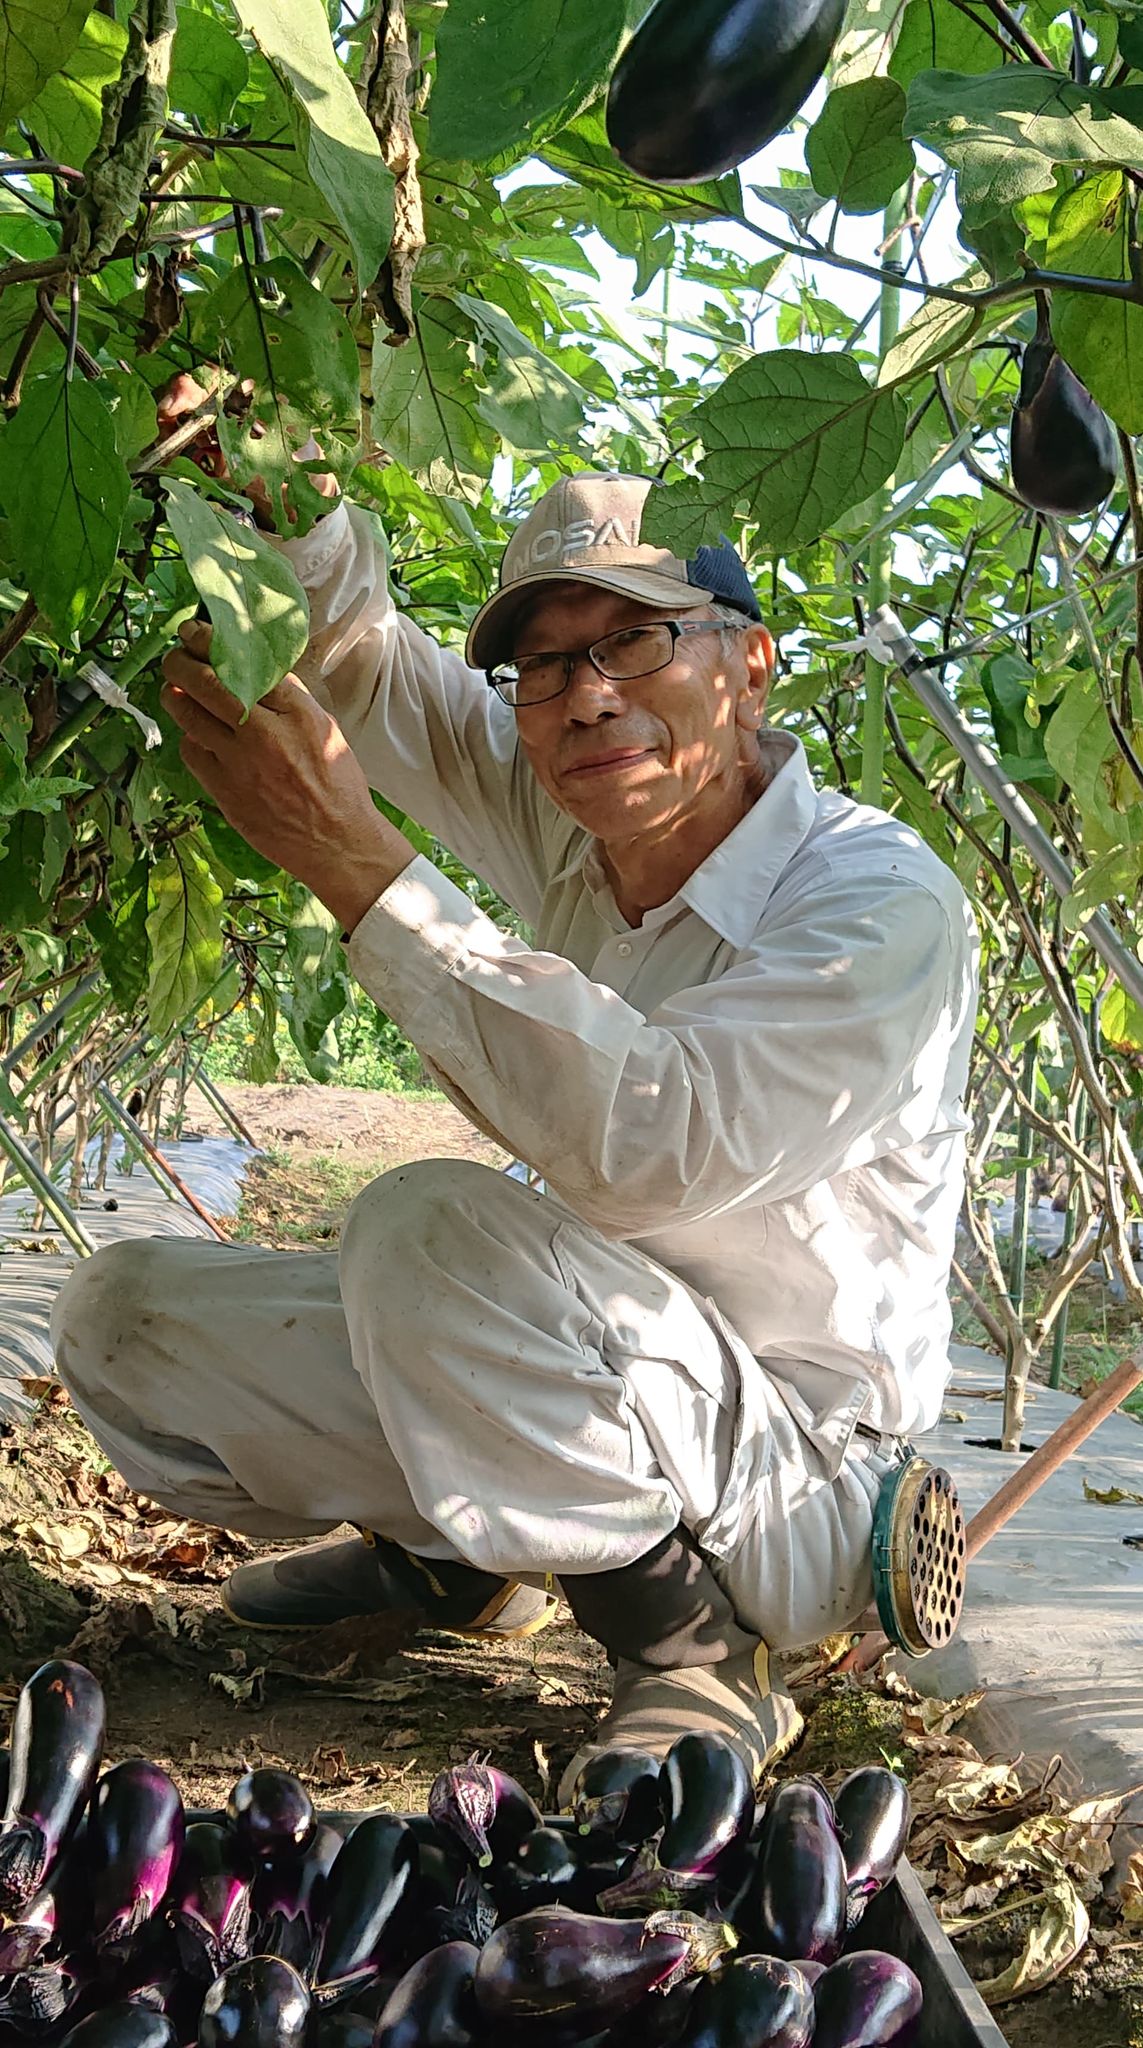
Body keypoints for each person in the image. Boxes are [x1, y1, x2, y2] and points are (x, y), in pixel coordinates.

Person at [51, 421, 979, 1799]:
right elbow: (368, 662)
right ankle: (464, 1560)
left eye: (638, 641)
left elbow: (649, 1146)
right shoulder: (582, 819)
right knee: (119, 1320)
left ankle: (693, 1652)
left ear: (750, 659)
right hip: (578, 1366)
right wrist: (294, 508)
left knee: (430, 1228)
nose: (588, 696)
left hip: (792, 1473)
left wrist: (351, 860)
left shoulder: (875, 904)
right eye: (542, 664)